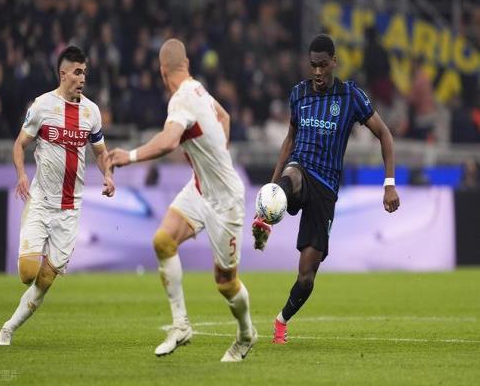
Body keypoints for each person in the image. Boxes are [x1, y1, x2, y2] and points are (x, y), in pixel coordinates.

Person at [108, 38, 257, 362]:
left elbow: (168, 141)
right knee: (163, 241)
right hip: (200, 188)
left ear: (162, 73)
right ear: (186, 64)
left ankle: (246, 334)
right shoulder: (198, 89)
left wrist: (128, 156)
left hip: (225, 201)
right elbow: (225, 117)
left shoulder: (181, 100)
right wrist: (216, 158)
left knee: (225, 283)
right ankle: (181, 325)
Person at [252, 34, 400, 344]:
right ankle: (267, 213)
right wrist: (272, 185)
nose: (317, 72)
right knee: (292, 177)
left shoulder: (351, 96)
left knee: (306, 276)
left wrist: (389, 184)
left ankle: (281, 321)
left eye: (322, 65)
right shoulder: (299, 94)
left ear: (334, 62)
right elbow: (290, 140)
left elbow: (385, 134)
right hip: (300, 169)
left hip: (326, 188)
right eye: (313, 66)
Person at [0, 46, 115, 346]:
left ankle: (8, 328)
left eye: (84, 72)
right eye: (77, 72)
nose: (82, 78)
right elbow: (19, 144)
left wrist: (108, 175)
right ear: (63, 74)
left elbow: (101, 153)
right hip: (41, 202)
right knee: (27, 273)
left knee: (47, 278)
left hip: (70, 209)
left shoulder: (91, 112)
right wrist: (21, 175)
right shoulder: (42, 106)